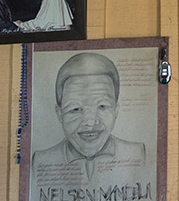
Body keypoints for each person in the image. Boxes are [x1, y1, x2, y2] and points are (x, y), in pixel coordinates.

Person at [31, 52, 146, 181]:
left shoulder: (138, 154)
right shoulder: (41, 162)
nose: (90, 122)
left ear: (116, 110)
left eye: (102, 106)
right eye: (76, 109)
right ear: (60, 114)